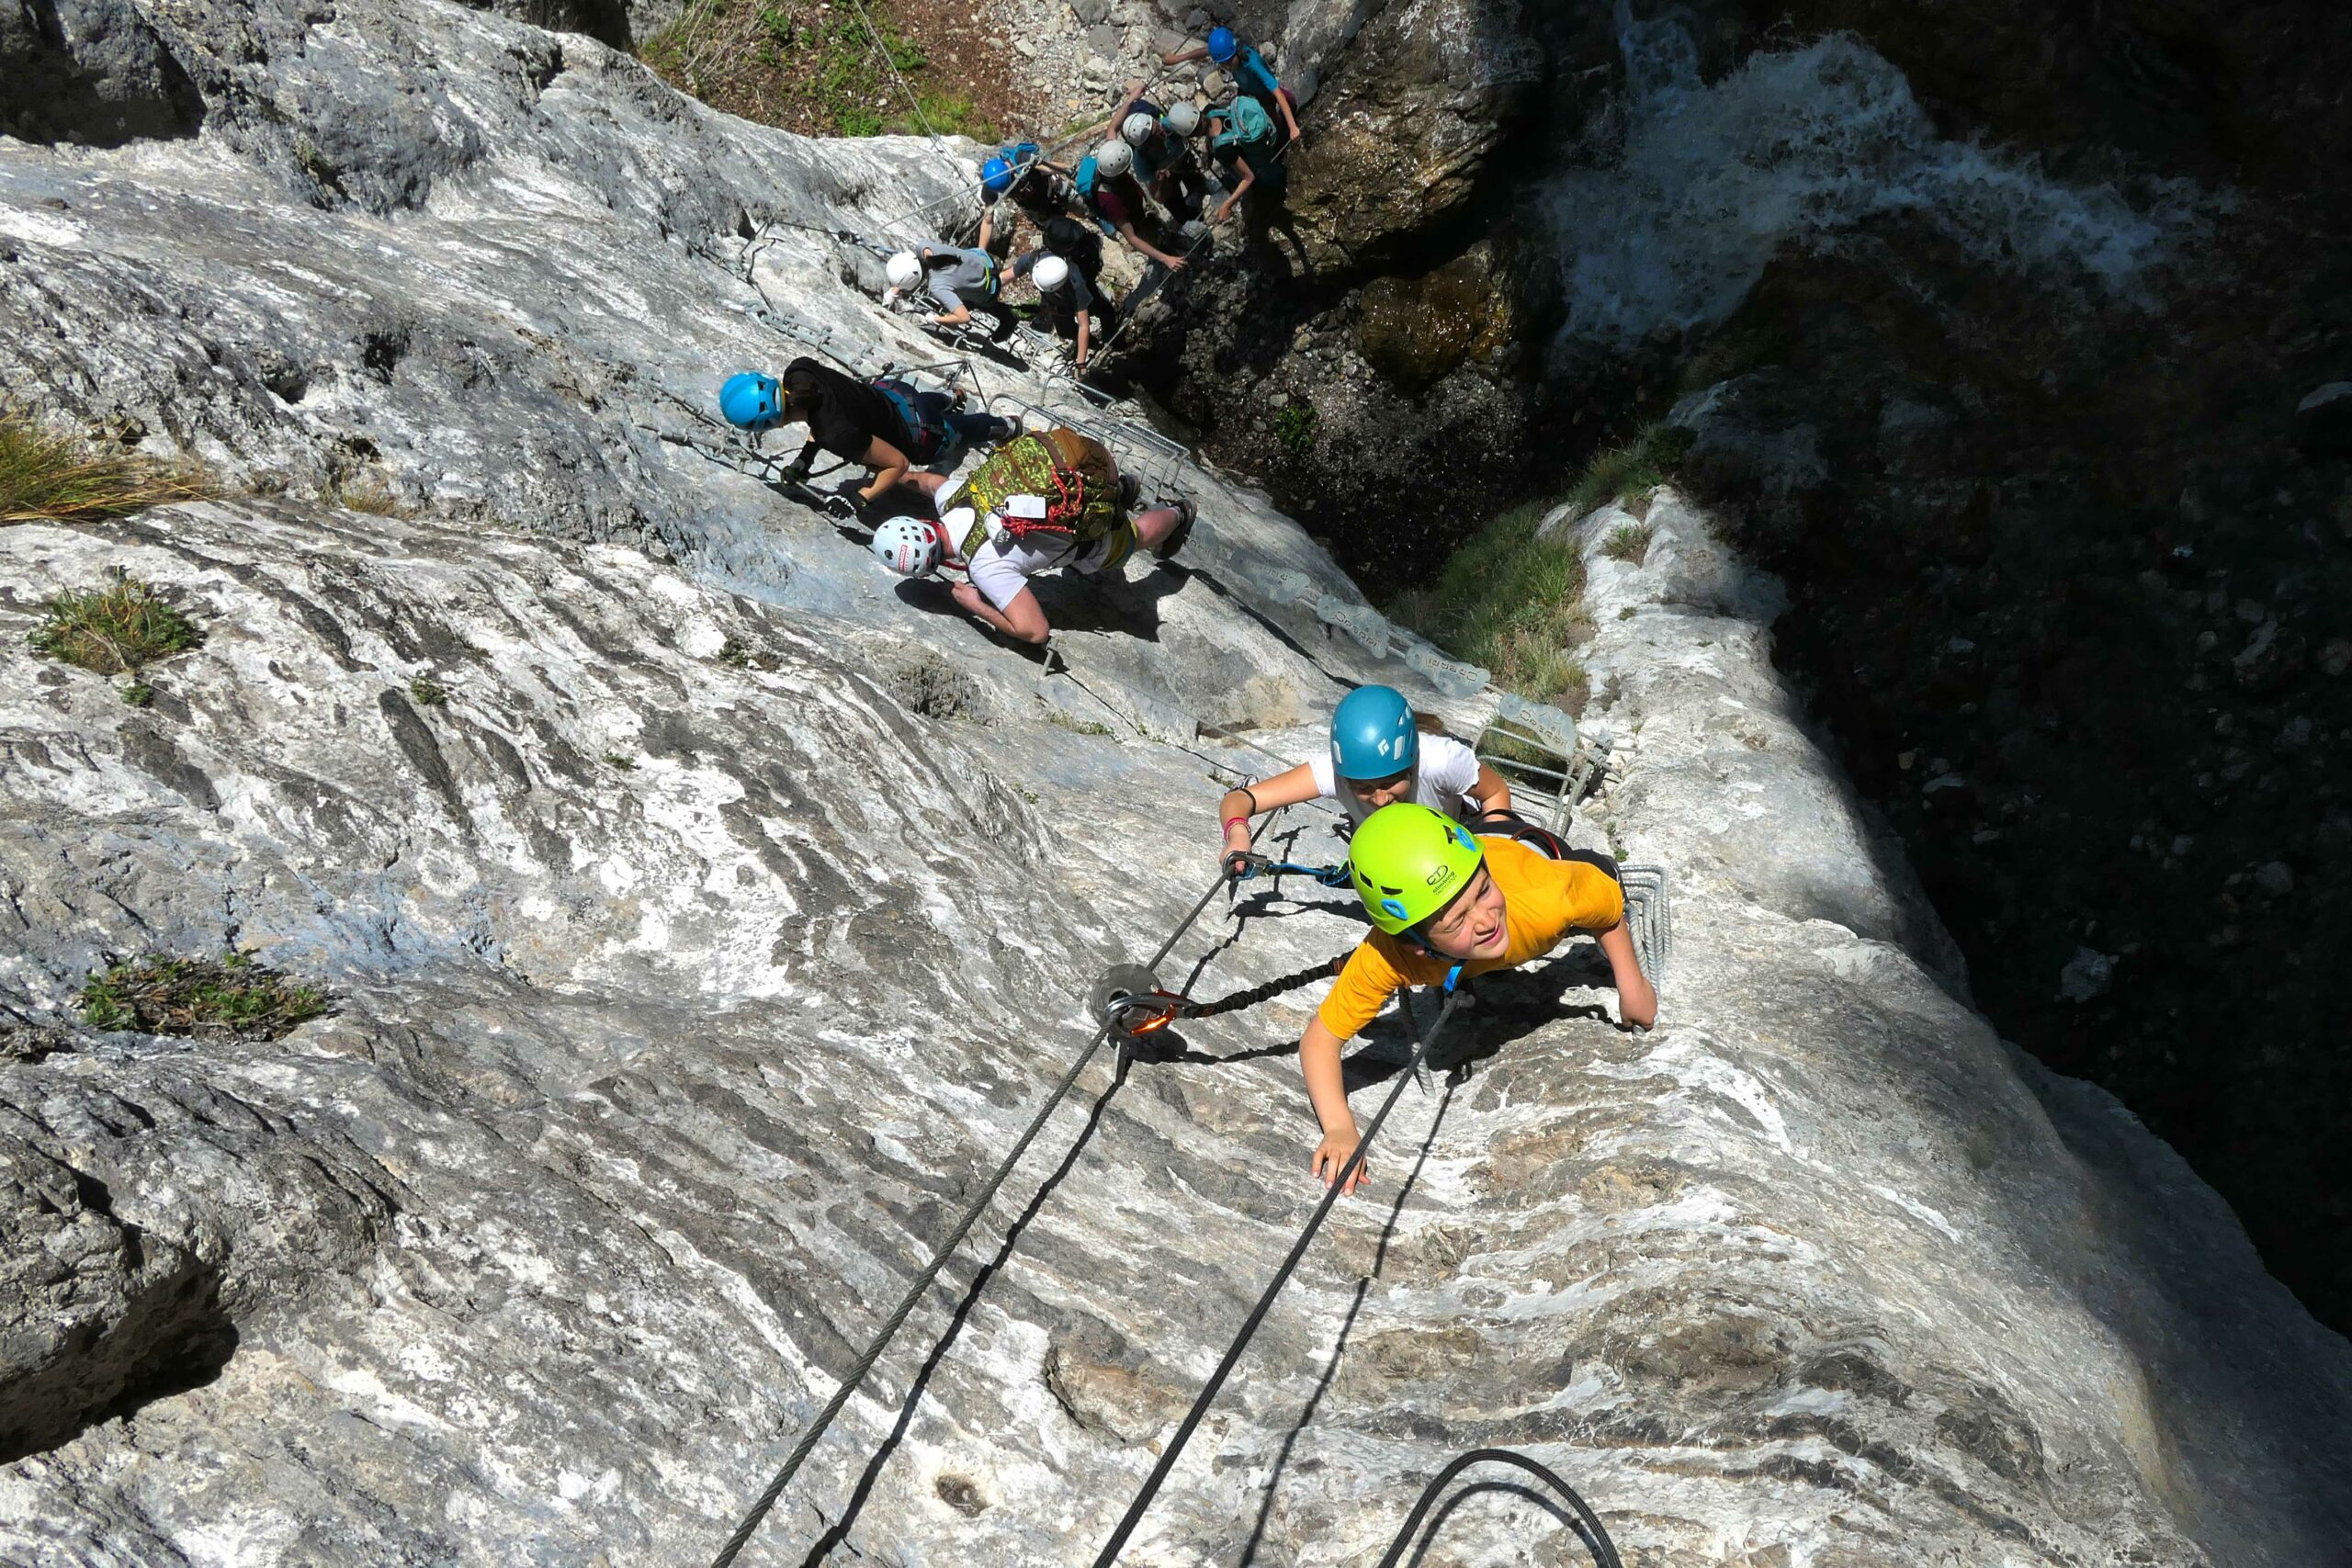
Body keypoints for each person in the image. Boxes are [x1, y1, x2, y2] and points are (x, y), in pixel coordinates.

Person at [1301, 803, 1658, 1194]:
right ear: (1417, 946)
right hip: (1478, 856)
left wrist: (1631, 984)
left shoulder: (1549, 898)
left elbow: (1606, 912)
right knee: (1489, 858)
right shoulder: (1389, 955)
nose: (1486, 919)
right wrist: (1339, 1127)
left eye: (1483, 893)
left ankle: (1491, 841)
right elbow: (1320, 1041)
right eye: (1457, 921)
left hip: (1533, 855)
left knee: (1603, 873)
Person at [868, 425, 1197, 646]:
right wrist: (883, 479)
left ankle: (1179, 514)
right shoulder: (952, 498)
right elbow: (925, 483)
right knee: (1087, 514)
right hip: (1082, 466)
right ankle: (1117, 490)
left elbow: (1035, 631)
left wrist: (974, 605)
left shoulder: (984, 569)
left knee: (1135, 537)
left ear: (927, 568)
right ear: (919, 523)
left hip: (1090, 541)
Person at [1216, 683, 1510, 868]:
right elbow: (1243, 799)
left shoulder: (1440, 760)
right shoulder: (1336, 773)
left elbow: (1495, 793)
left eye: (1389, 783)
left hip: (1453, 838)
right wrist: (1238, 834)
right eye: (1364, 788)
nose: (1380, 798)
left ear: (1412, 762)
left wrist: (1498, 857)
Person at [718, 358, 1015, 507]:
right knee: (925, 404)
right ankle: (952, 397)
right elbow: (821, 419)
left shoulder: (836, 434)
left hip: (921, 436)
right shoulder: (799, 372)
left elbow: (898, 464)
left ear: (771, 424)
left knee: (959, 430)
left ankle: (1005, 425)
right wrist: (804, 460)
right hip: (895, 396)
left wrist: (861, 497)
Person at [1161, 26, 1301, 150]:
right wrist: (1177, 59)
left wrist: (1293, 127)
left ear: (1235, 52)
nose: (1227, 66)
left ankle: (1292, 123)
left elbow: (1276, 92)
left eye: (1228, 62)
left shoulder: (1252, 64)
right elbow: (1206, 51)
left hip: (1265, 92)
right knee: (1275, 122)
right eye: (1223, 64)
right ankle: (1282, 133)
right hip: (1254, 93)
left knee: (1288, 101)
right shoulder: (1226, 51)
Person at [1079, 141, 1190, 273]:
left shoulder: (1112, 173)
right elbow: (1131, 237)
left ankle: (1169, 242)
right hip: (1137, 225)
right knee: (1162, 246)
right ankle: (1173, 260)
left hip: (1140, 211)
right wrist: (1165, 258)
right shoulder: (1109, 200)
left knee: (1162, 233)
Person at [1008, 253, 1114, 372]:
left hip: (1079, 294)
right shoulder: (1031, 261)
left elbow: (1083, 325)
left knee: (1104, 311)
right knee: (1065, 331)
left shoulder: (1076, 285)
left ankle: (1111, 341)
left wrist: (1080, 365)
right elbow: (1005, 277)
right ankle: (1093, 343)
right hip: (1057, 302)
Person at [884, 242, 1009, 333]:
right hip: (983, 260)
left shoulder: (937, 285)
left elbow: (964, 317)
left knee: (974, 304)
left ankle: (1007, 317)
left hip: (989, 288)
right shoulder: (923, 248)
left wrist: (936, 319)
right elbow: (912, 269)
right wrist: (894, 291)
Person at [1204, 93, 1286, 221]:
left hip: (1258, 159)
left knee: (1271, 183)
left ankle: (1278, 197)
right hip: (1266, 134)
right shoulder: (1210, 110)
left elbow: (1248, 177)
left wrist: (1227, 205)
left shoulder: (1222, 149)